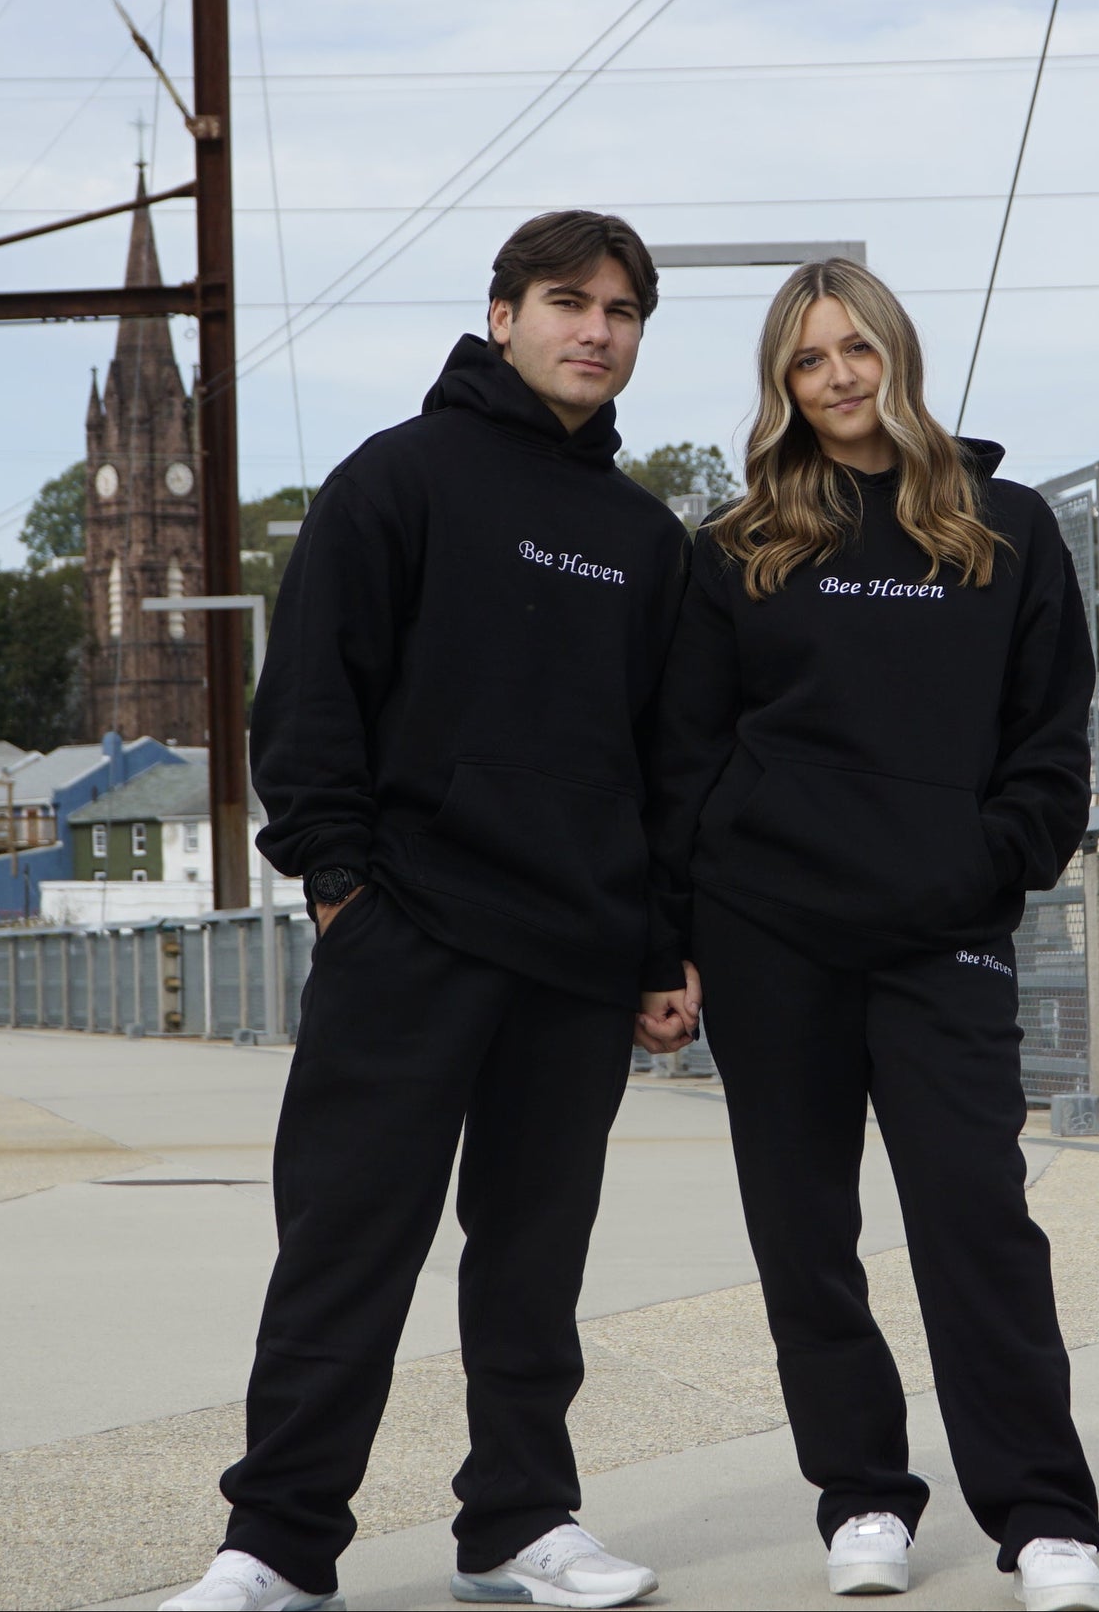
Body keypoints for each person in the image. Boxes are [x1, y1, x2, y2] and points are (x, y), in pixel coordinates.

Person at [164, 211, 694, 1612]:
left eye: (623, 311)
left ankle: (518, 1521)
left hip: (574, 958)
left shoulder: (646, 538)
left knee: (530, 1260)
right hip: (408, 935)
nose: (596, 330)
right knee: (346, 1244)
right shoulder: (397, 478)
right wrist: (342, 889)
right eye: (568, 302)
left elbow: (666, 766)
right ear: (504, 313)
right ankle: (278, 1543)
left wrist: (654, 948)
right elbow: (308, 704)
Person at [638, 258, 1099, 1612]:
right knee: (803, 1231)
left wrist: (986, 863)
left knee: (975, 1219)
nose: (837, 377)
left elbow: (1046, 742)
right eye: (806, 359)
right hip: (768, 931)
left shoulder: (1002, 527)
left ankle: (1044, 1515)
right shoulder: (734, 547)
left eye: (856, 349)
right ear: (780, 385)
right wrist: (665, 938)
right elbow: (681, 757)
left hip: (938, 930)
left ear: (895, 353)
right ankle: (859, 1496)